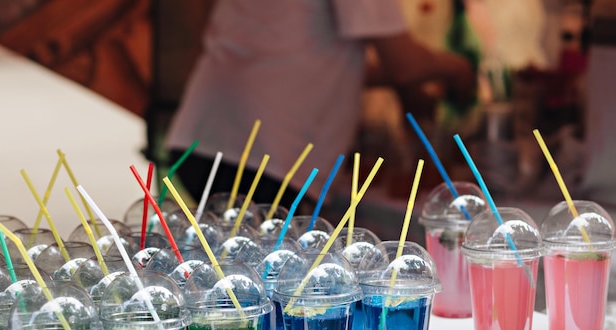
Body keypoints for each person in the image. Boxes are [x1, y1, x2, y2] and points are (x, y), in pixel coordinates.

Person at [164, 0, 476, 210]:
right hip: (268, 154)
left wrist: (404, 85)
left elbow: (310, 59)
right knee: (272, 285)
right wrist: (458, 69)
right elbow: (404, 63)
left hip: (199, 137)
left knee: (234, 278)